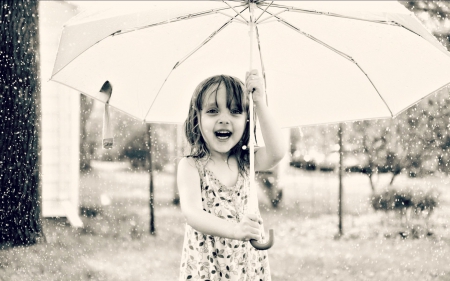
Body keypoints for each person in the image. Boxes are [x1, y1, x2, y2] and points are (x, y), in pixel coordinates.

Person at [177, 70, 286, 280]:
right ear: (196, 118)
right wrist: (235, 230)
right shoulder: (191, 166)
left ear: (247, 119)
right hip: (207, 264)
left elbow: (277, 152)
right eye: (212, 111)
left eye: (235, 111)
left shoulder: (245, 160)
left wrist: (260, 104)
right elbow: (192, 214)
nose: (224, 120)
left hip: (245, 263)